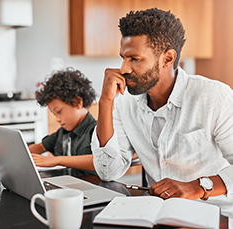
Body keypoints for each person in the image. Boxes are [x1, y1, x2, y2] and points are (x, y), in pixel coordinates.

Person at [91, 8, 233, 217]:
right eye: (123, 57)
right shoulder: (124, 103)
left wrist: (197, 187)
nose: (124, 68)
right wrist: (105, 102)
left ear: (167, 58)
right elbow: (108, 171)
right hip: (159, 215)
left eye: (135, 59)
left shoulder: (214, 96)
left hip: (216, 214)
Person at [29, 68, 96, 172]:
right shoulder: (62, 133)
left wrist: (56, 160)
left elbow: (99, 161)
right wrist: (20, 155)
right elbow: (40, 147)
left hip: (92, 185)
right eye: (54, 114)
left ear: (77, 102)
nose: (57, 119)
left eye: (59, 111)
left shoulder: (96, 131)